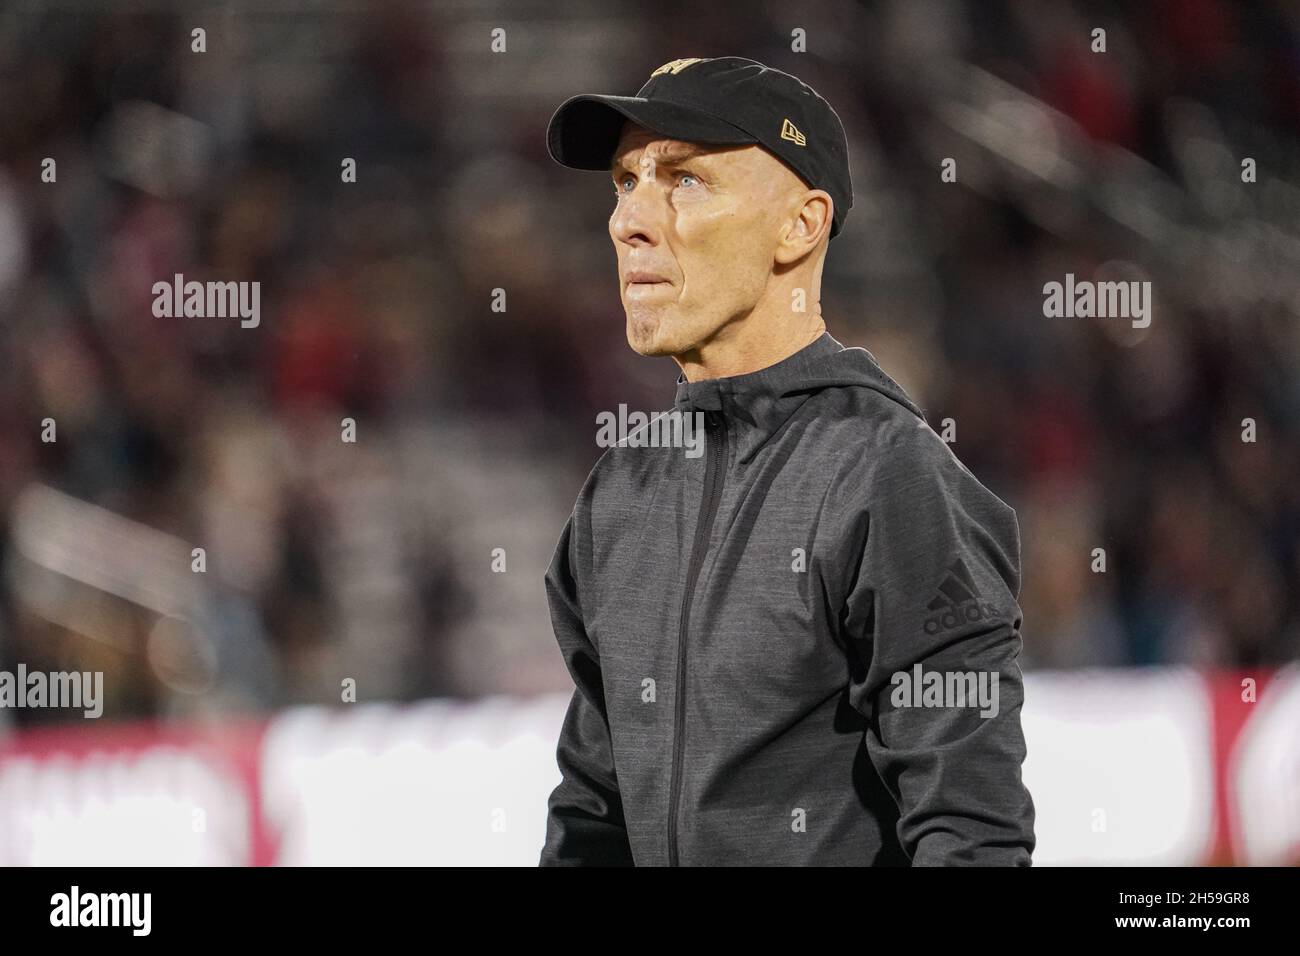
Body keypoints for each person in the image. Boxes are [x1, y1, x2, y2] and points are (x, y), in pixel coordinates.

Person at [539, 56, 1035, 865]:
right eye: (626, 181)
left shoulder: (887, 473)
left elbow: (971, 833)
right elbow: (595, 815)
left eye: (685, 180)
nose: (628, 220)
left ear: (800, 226)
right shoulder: (618, 495)